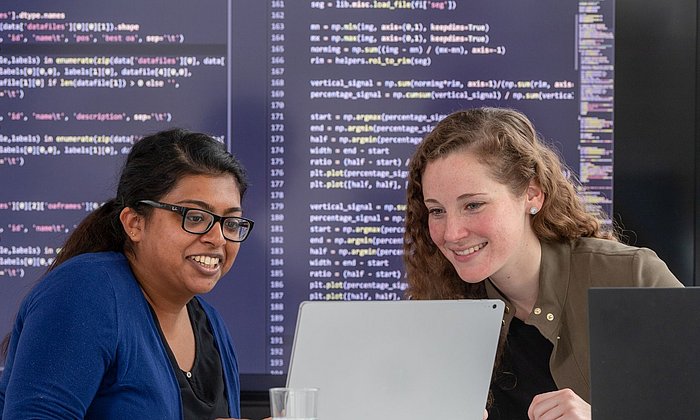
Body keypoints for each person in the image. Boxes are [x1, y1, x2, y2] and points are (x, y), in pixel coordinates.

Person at [402, 107, 683, 420]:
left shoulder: (633, 276)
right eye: (437, 211)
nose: (452, 233)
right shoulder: (439, 310)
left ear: (532, 195)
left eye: (473, 205)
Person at [0, 129, 257, 419]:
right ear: (135, 223)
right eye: (195, 217)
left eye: (231, 223)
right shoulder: (85, 292)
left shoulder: (212, 325)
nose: (218, 238)